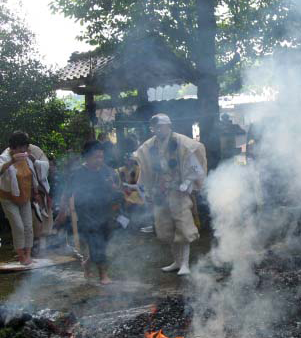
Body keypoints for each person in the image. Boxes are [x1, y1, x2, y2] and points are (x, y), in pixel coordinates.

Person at [134, 114, 206, 275]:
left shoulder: (182, 143)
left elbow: (195, 167)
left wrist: (187, 182)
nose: (157, 130)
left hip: (178, 190)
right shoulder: (150, 145)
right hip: (160, 190)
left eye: (160, 126)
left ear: (168, 126)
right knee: (166, 227)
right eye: (155, 127)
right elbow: (143, 162)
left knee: (183, 226)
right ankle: (177, 261)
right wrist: (147, 188)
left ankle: (185, 264)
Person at [69, 141, 120, 284]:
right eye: (95, 157)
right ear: (86, 157)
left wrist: (113, 186)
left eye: (101, 157)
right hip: (87, 215)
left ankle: (87, 263)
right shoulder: (78, 174)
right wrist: (63, 213)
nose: (99, 160)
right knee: (97, 243)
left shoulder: (107, 171)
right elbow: (67, 194)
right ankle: (103, 275)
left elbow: (116, 191)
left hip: (106, 212)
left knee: (104, 241)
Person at [0, 132, 41, 265]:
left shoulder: (27, 157)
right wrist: (12, 161)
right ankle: (21, 256)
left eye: (24, 147)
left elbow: (33, 175)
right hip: (7, 197)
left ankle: (28, 255)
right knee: (18, 226)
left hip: (24, 196)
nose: (23, 150)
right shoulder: (4, 157)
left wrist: (36, 193)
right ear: (12, 148)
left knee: (28, 226)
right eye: (19, 148)